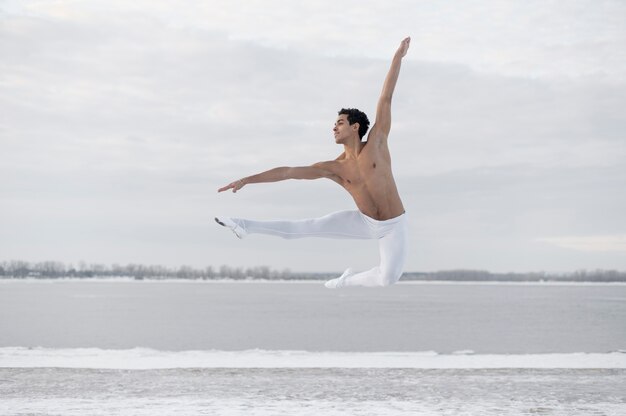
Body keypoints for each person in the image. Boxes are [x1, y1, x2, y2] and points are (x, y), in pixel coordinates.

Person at [216, 37, 411, 288]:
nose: (334, 127)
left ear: (355, 127)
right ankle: (243, 225)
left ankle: (345, 282)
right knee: (306, 227)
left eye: (339, 123)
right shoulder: (334, 168)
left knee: (387, 278)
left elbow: (386, 97)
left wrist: (398, 56)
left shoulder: (378, 143)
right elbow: (287, 172)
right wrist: (247, 180)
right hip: (364, 223)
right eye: (334, 124)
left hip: (394, 225)